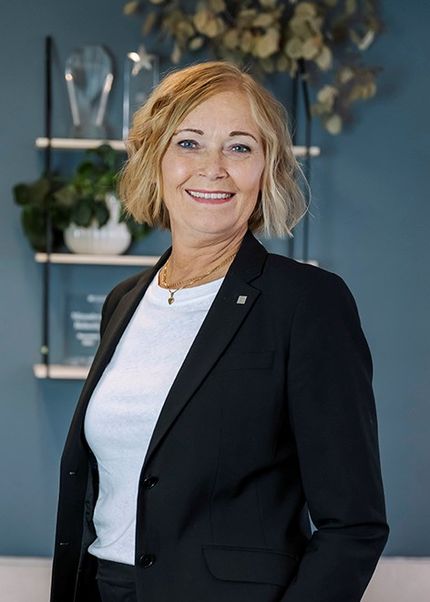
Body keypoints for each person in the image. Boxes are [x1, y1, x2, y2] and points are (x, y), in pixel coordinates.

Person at [50, 61, 389, 602]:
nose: (213, 168)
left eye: (239, 147)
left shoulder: (308, 302)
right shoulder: (125, 301)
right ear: (155, 160)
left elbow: (354, 525)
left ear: (267, 169)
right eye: (189, 143)